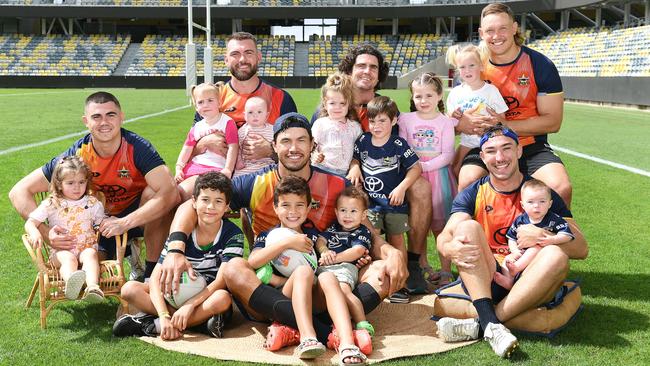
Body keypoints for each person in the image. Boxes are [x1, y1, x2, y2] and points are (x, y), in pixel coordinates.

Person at [159, 113, 406, 350]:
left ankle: (293, 327)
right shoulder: (254, 183)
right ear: (274, 146)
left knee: (381, 271)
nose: (293, 148)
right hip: (267, 287)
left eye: (301, 140)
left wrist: (390, 252)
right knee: (234, 268)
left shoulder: (336, 184)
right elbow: (191, 205)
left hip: (320, 282)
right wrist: (175, 249)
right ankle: (328, 330)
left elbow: (368, 231)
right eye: (286, 141)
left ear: (313, 145)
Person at [435, 124, 588, 358]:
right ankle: (491, 323)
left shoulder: (540, 194)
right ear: (483, 157)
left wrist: (542, 236)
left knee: (556, 254)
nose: (500, 157)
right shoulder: (474, 192)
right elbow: (446, 236)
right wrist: (450, 248)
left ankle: (484, 322)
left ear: (518, 151)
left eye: (507, 148)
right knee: (467, 228)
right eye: (491, 151)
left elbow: (581, 248)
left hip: (529, 277)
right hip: (489, 275)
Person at [9, 91, 180, 280]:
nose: (104, 122)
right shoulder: (78, 154)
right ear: (86, 121)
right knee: (88, 265)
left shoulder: (137, 148)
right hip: (98, 223)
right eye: (96, 117)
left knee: (154, 191)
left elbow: (171, 192)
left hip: (137, 217)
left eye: (111, 115)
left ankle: (150, 274)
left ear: (121, 117)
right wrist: (47, 233)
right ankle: (128, 252)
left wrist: (125, 223)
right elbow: (18, 192)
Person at [336, 44, 434, 293]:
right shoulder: (335, 103)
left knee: (421, 187)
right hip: (345, 178)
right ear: (350, 70)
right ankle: (364, 262)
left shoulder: (386, 108)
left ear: (379, 75)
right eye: (361, 65)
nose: (367, 71)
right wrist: (354, 167)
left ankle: (414, 261)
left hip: (384, 177)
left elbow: (399, 145)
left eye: (373, 67)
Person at [456, 2, 572, 207]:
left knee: (560, 187)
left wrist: (504, 126)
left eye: (503, 28)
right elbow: (458, 117)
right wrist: (460, 124)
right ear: (481, 33)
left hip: (529, 145)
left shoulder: (540, 64)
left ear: (515, 28)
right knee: (468, 181)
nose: (496, 36)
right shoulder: (474, 66)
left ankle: (552, 238)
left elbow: (553, 122)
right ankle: (476, 237)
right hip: (485, 143)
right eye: (490, 30)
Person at [249, 177, 368, 364]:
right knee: (304, 271)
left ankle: (347, 344)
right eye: (286, 205)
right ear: (275, 207)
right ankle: (308, 338)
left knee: (328, 276)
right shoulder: (268, 236)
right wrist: (287, 242)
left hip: (313, 297)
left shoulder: (313, 235)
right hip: (283, 299)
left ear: (308, 208)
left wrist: (357, 259)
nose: (293, 212)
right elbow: (253, 261)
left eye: (299, 205)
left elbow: (325, 259)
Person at [112, 172, 244, 340]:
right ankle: (198, 324)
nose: (210, 207)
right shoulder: (182, 233)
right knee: (129, 289)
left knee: (223, 299)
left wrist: (189, 305)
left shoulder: (233, 235)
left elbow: (220, 282)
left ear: (226, 207)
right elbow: (154, 279)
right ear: (194, 202)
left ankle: (154, 326)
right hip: (172, 295)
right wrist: (163, 314)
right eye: (205, 200)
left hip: (204, 298)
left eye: (218, 201)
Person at [348, 96, 421, 303]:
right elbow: (355, 158)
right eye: (372, 121)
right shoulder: (363, 141)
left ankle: (401, 284)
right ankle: (375, 280)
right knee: (373, 241)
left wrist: (401, 187)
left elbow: (416, 168)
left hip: (394, 204)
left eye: (382, 121)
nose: (376, 126)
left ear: (394, 121)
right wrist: (354, 166)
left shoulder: (398, 144)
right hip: (371, 205)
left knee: (397, 242)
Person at [192, 32, 297, 164]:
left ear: (258, 57)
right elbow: (189, 148)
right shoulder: (212, 99)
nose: (242, 59)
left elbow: (298, 150)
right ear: (226, 60)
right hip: (220, 177)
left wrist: (271, 150)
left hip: (266, 178)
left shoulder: (281, 98)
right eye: (235, 54)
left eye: (248, 53)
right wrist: (203, 144)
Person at [398, 73, 458, 288]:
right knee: (418, 224)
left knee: (441, 227)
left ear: (440, 95)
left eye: (429, 95)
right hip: (413, 177)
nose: (423, 101)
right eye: (418, 96)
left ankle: (445, 269)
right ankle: (422, 265)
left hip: (438, 176)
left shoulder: (445, 122)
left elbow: (448, 154)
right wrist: (414, 168)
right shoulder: (406, 119)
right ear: (412, 97)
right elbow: (403, 147)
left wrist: (422, 166)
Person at [24, 156, 106, 302]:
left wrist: (110, 222)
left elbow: (101, 223)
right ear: (60, 184)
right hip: (60, 253)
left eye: (81, 182)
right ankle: (71, 284)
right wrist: (35, 232)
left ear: (87, 182)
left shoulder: (92, 203)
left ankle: (92, 287)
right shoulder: (53, 203)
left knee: (91, 253)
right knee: (69, 259)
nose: (77, 187)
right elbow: (30, 222)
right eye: (70, 183)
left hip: (84, 247)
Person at [445, 43, 508, 191]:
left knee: (469, 178)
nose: (467, 70)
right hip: (466, 143)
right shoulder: (456, 93)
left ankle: (471, 206)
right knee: (454, 171)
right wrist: (454, 117)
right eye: (462, 67)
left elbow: (502, 119)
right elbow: (450, 121)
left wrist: (492, 125)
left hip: (487, 143)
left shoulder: (491, 91)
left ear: (481, 66)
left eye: (471, 65)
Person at [494, 178, 574, 290]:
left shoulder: (554, 219)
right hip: (521, 254)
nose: (536, 206)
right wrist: (515, 251)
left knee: (535, 247)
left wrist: (552, 240)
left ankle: (516, 268)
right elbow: (511, 238)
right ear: (523, 205)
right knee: (507, 259)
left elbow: (567, 235)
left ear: (550, 204)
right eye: (531, 202)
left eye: (542, 201)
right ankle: (509, 281)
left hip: (540, 258)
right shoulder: (520, 220)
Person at [315, 185, 374, 337]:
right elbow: (320, 241)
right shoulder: (333, 228)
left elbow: (358, 251)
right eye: (343, 210)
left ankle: (362, 323)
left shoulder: (362, 231)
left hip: (344, 267)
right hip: (325, 269)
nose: (347, 215)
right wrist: (325, 251)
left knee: (343, 290)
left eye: (353, 211)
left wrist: (334, 258)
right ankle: (334, 321)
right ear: (336, 212)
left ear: (363, 215)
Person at [175, 83, 239, 201]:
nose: (206, 105)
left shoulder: (227, 122)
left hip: (214, 169)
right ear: (195, 107)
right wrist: (179, 167)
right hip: (193, 167)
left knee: (182, 194)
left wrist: (228, 169)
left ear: (219, 102)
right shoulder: (197, 127)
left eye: (210, 100)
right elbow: (186, 149)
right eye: (200, 102)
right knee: (173, 194)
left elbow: (233, 147)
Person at [311, 72, 363, 176]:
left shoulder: (355, 127)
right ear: (325, 104)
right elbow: (311, 146)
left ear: (349, 104)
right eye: (332, 103)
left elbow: (359, 151)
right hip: (322, 170)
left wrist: (355, 166)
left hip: (346, 174)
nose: (337, 107)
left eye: (342, 103)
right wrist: (314, 155)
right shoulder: (320, 124)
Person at [233, 97, 275, 178]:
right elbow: (236, 147)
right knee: (238, 180)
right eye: (250, 112)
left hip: (267, 168)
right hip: (246, 169)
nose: (255, 115)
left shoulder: (273, 130)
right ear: (244, 115)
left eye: (259, 112)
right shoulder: (242, 131)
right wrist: (238, 161)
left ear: (267, 115)